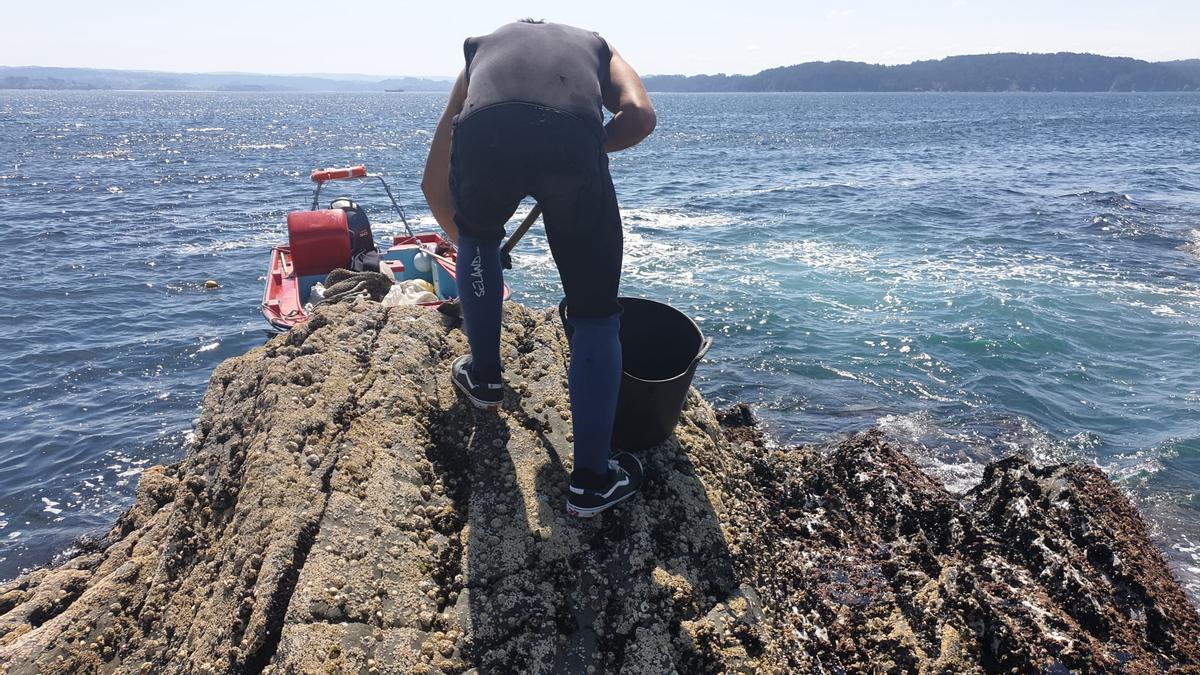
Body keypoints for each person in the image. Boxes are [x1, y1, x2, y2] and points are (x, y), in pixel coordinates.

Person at [421, 19, 656, 517]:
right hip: (573, 138)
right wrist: (581, 146)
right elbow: (639, 117)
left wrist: (471, 244)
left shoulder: (478, 51)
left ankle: (484, 377)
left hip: (485, 136)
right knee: (595, 314)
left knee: (481, 239)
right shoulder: (598, 45)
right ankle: (592, 483)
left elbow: (431, 181)